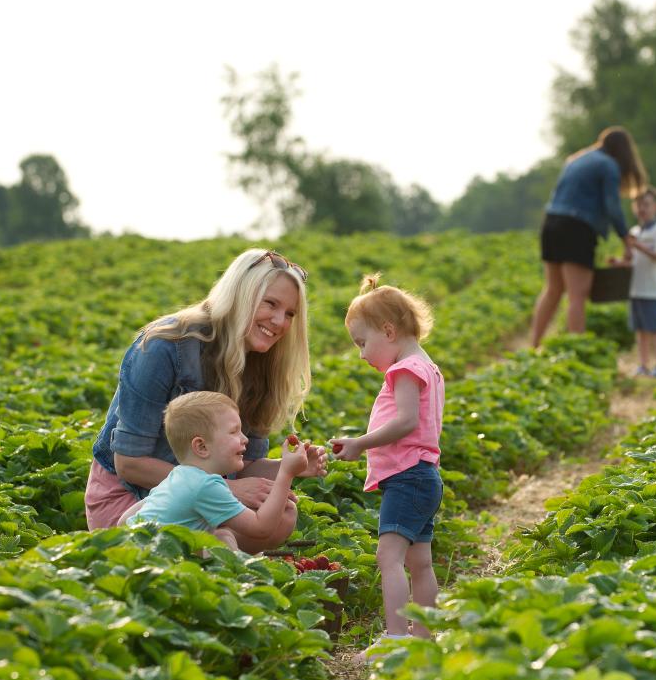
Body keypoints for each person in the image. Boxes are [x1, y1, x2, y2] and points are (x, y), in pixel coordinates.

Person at [85, 247, 327, 554]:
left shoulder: (262, 363)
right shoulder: (164, 347)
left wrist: (289, 468)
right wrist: (229, 489)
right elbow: (129, 464)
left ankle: (210, 552)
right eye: (270, 304)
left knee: (283, 515)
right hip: (130, 497)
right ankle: (208, 557)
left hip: (198, 493)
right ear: (241, 295)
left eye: (290, 313)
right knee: (225, 537)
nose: (280, 321)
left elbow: (244, 464)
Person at [330, 275, 445, 655]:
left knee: (388, 557)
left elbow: (407, 422)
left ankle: (396, 639)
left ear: (389, 331)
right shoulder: (428, 366)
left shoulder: (404, 370)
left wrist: (361, 443)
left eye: (363, 343)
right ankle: (424, 639)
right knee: (420, 564)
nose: (362, 355)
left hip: (408, 476)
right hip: (424, 476)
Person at [122, 391, 310, 552]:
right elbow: (261, 527)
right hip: (156, 562)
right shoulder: (206, 486)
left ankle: (239, 569)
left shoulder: (178, 476)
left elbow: (124, 520)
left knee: (221, 535)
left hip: (137, 551)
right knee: (220, 537)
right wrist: (286, 472)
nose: (244, 439)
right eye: (234, 432)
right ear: (202, 446)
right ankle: (241, 580)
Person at [529, 126, 649, 347]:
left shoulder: (577, 159)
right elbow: (612, 207)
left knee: (553, 289)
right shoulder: (609, 166)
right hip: (576, 228)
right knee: (578, 294)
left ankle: (533, 346)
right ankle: (578, 350)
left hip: (551, 223)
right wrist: (626, 239)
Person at [625, 187, 656, 378]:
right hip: (635, 290)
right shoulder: (634, 231)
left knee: (655, 330)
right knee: (641, 331)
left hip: (652, 290)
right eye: (638, 205)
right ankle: (643, 365)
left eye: (647, 204)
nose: (642, 208)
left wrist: (638, 245)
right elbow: (630, 259)